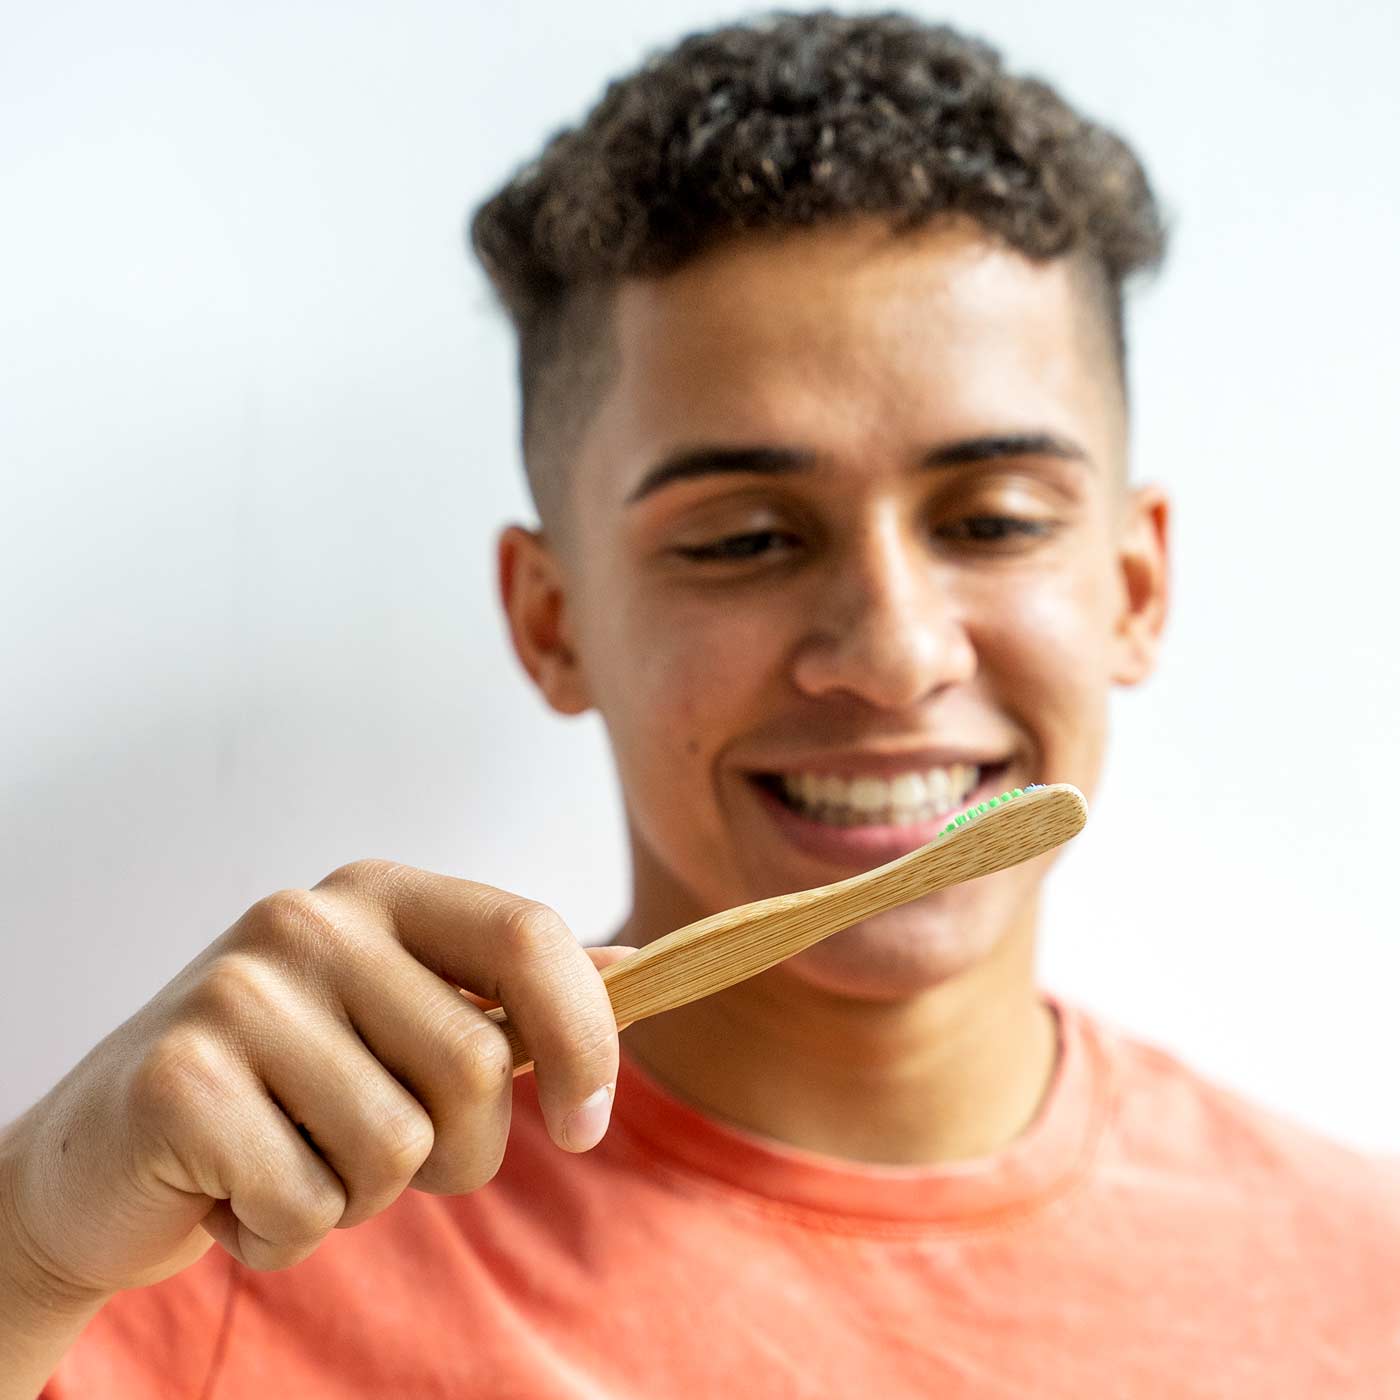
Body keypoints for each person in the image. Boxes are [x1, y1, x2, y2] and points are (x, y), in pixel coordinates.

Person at [3, 10, 1397, 1397]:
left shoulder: (1365, 1286)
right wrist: (28, 1251)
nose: (895, 654)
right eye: (742, 540)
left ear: (1135, 587)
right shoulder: (208, 1263)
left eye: (993, 520)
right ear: (553, 624)